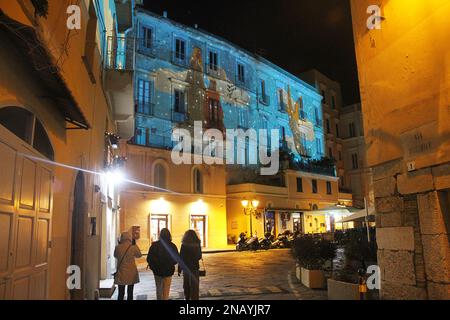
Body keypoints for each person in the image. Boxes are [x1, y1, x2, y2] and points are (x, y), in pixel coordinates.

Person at [147, 228, 179, 300]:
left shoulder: (154, 245)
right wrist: (170, 264)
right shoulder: (172, 246)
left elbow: (149, 258)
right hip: (168, 271)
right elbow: (176, 259)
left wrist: (153, 267)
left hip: (157, 271)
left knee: (158, 288)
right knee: (166, 290)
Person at [114, 232, 142, 300]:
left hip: (121, 273)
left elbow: (115, 255)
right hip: (131, 273)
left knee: (121, 293)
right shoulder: (133, 247)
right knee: (130, 292)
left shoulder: (118, 247)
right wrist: (135, 245)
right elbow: (139, 255)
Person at [178, 230, 202, 300]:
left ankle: (187, 297)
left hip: (186, 268)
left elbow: (181, 257)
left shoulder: (184, 244)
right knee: (195, 286)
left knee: (186, 285)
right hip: (195, 268)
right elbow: (199, 256)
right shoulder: (197, 244)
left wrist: (179, 269)